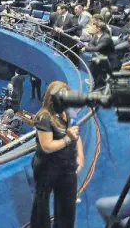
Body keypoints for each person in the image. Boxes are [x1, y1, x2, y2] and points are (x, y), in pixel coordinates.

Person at [30, 81, 84, 228]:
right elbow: (47, 146)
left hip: (67, 166)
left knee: (67, 205)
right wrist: (67, 139)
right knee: (42, 202)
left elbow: (77, 135)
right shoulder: (44, 117)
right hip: (47, 166)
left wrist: (80, 157)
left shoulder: (69, 112)